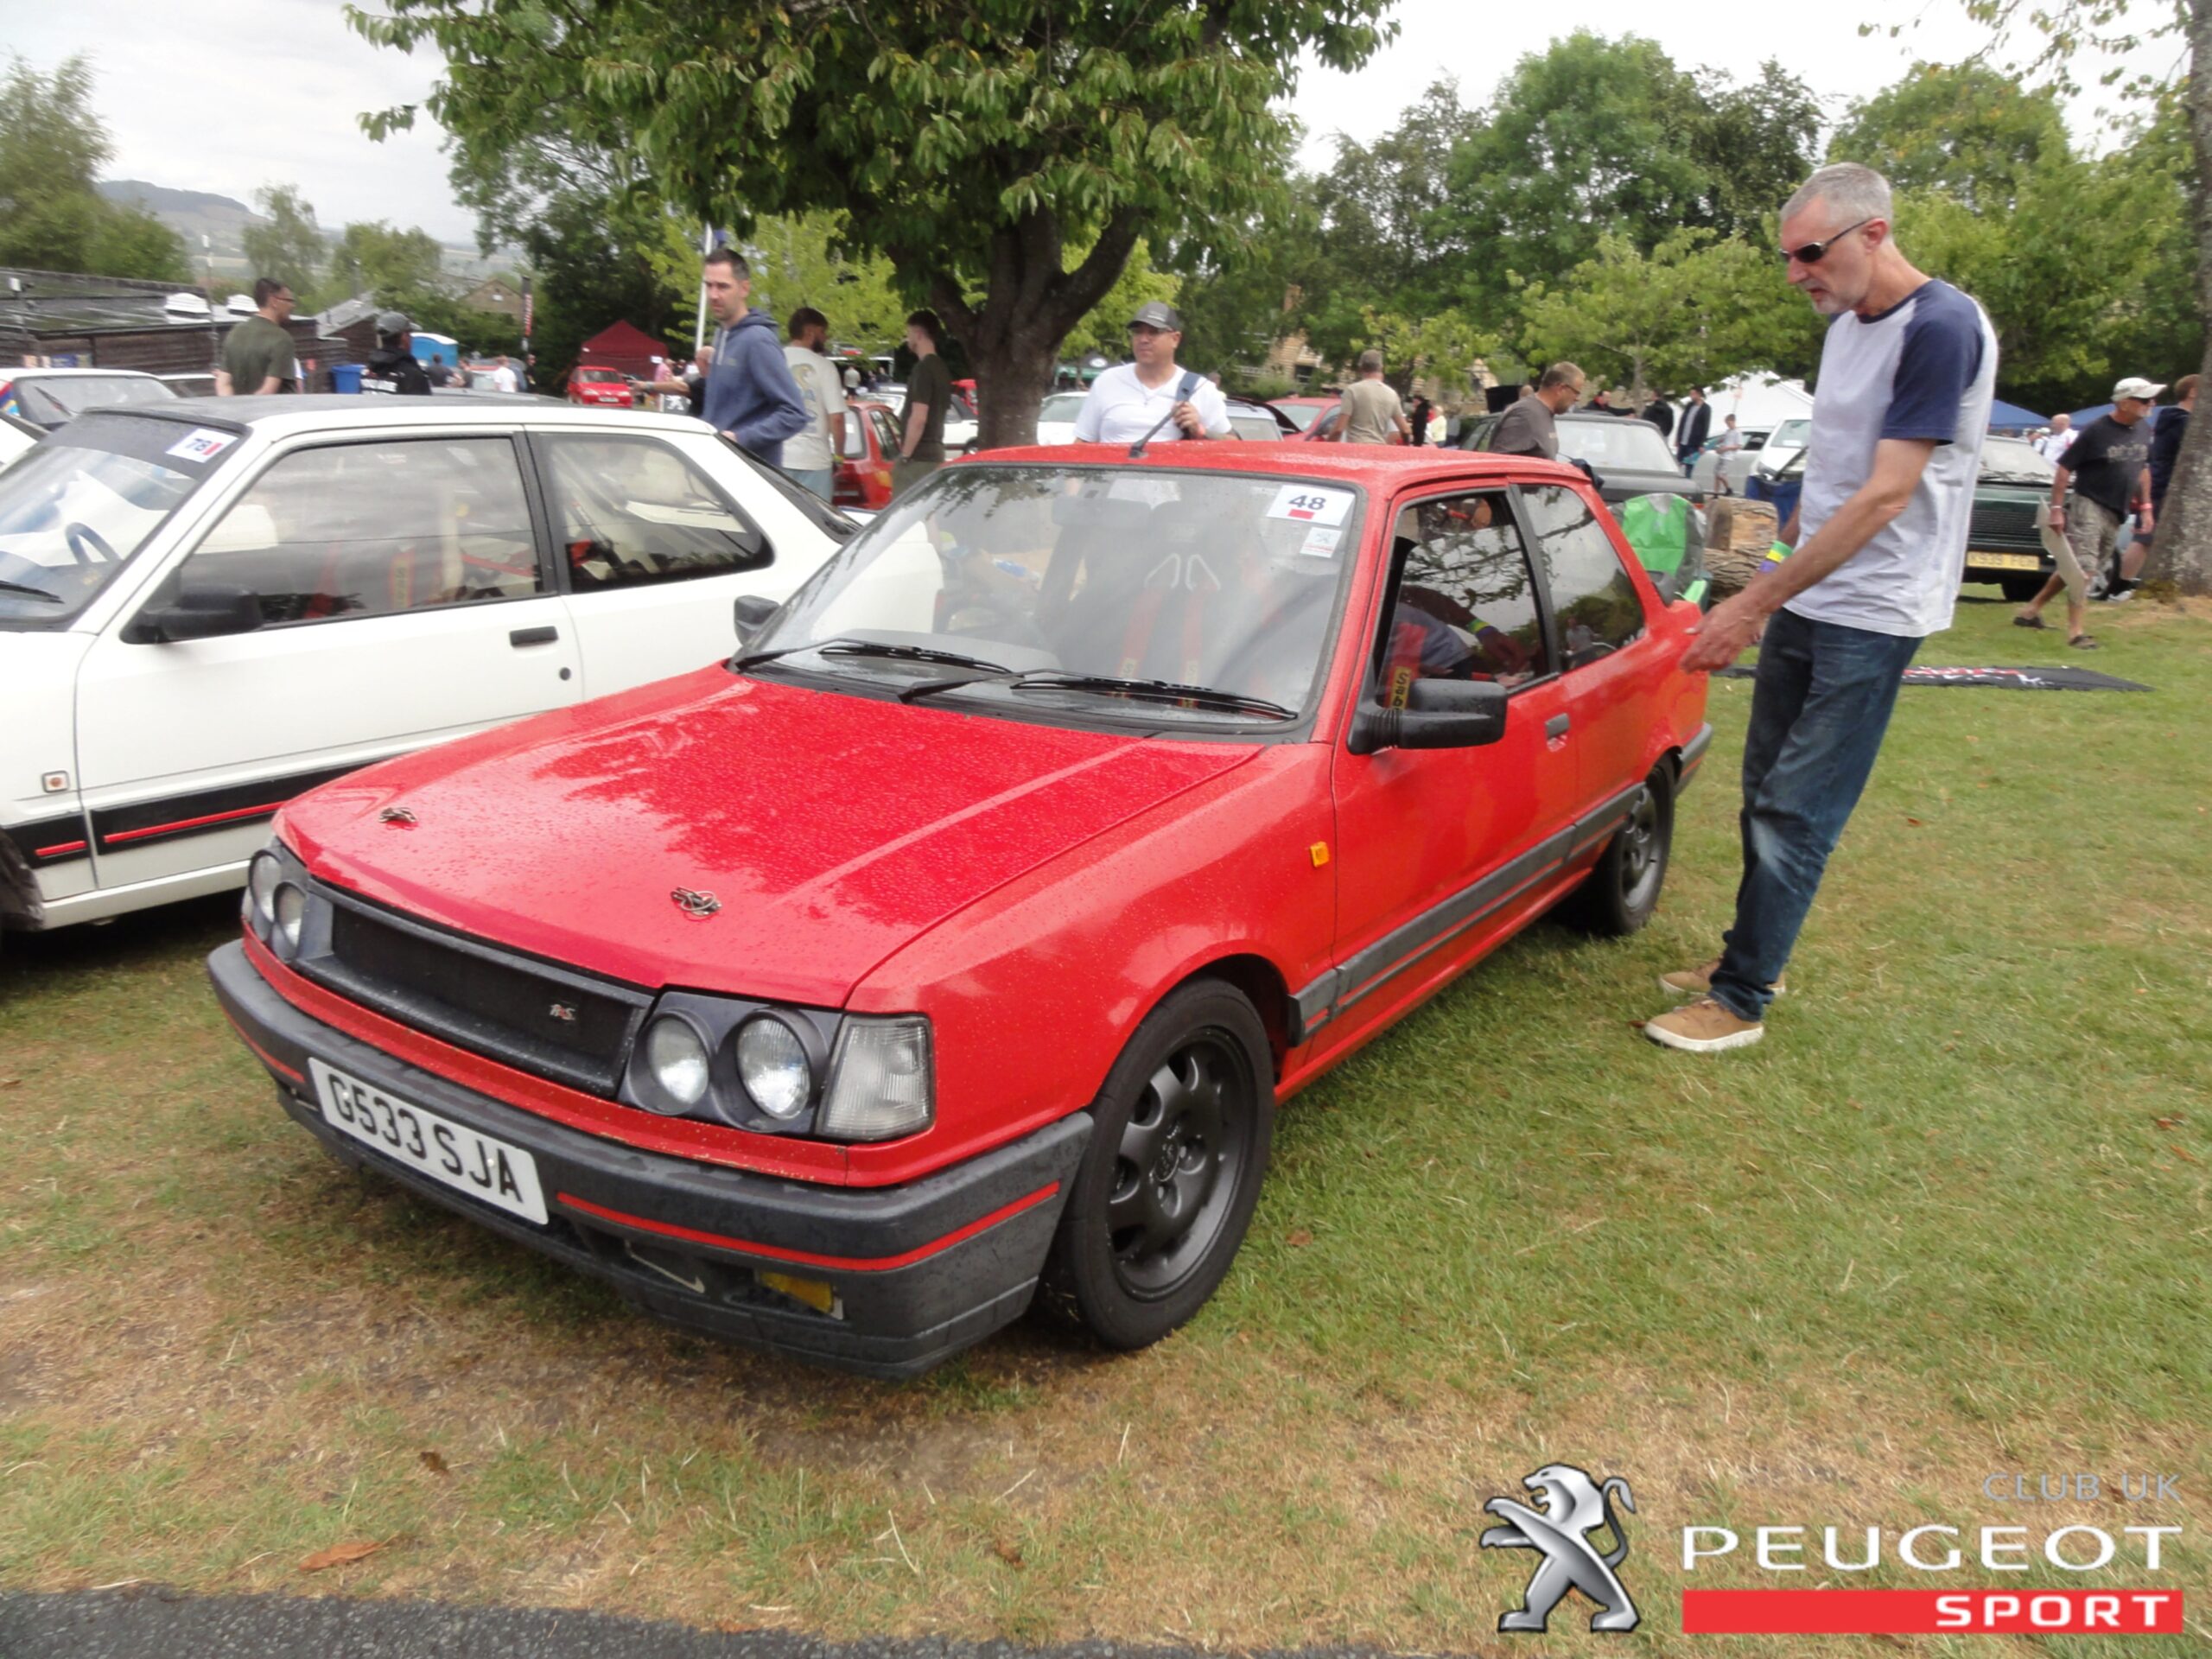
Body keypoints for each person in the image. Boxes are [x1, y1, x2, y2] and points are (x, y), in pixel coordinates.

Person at [1643, 162, 1996, 1055]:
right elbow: (1832, 479)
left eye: (1808, 253)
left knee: (1797, 807)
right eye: (1788, 257)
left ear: (1873, 233)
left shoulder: (1942, 327)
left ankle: (1741, 997)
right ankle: (1753, 952)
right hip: (1812, 592)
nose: (1796, 272)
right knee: (1764, 787)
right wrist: (1762, 577)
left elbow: (1884, 495)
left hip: (1875, 611)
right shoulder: (1844, 327)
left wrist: (1750, 607)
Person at [2012, 377, 2159, 644]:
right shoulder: (2096, 430)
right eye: (2145, 399)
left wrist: (2146, 507)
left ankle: (2030, 611)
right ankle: (2076, 633)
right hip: (2089, 503)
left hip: (2117, 509)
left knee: (2080, 567)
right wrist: (2057, 509)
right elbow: (2064, 468)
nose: (2152, 403)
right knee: (2085, 570)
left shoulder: (2142, 429)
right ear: (2124, 403)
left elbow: (2143, 469)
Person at [698, 246, 808, 467]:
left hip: (747, 476)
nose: (713, 295)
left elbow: (794, 414)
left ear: (744, 288)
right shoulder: (722, 335)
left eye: (723, 286)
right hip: (717, 470)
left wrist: (739, 439)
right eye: (709, 285)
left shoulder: (758, 340)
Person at [1071, 301, 1231, 446]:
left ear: (1175, 339)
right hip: (1109, 470)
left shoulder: (1201, 389)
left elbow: (1233, 446)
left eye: (1153, 332)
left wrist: (1200, 430)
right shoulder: (1107, 381)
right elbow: (1082, 444)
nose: (1143, 339)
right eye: (1137, 332)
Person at [2120, 372, 2194, 595]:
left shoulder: (2174, 418)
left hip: (2166, 485)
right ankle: (2120, 585)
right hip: (2163, 486)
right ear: (2193, 392)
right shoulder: (2181, 420)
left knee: (2150, 539)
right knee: (2144, 539)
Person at [780, 305, 849, 501]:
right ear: (810, 332)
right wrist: (839, 456)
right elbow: (837, 419)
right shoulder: (825, 366)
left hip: (778, 458)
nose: (825, 338)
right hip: (815, 461)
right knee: (815, 518)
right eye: (822, 332)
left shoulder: (774, 360)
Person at [894, 308, 955, 493]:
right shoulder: (942, 369)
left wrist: (905, 456)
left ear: (918, 334)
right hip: (936, 454)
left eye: (909, 333)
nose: (907, 339)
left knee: (904, 510)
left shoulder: (923, 369)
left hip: (918, 459)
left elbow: (919, 418)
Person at [216, 276, 299, 396]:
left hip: (235, 407)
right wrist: (251, 406)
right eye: (289, 301)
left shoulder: (235, 332)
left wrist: (233, 405)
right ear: (274, 301)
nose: (292, 306)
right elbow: (268, 391)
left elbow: (223, 383)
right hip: (273, 408)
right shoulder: (281, 339)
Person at [1489, 362, 1585, 459]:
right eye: (1576, 393)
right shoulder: (1525, 415)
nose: (1577, 399)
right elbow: (1502, 462)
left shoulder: (1542, 413)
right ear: (1561, 389)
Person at [1338, 350, 1411, 444]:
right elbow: (1405, 430)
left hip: (1356, 447)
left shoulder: (1352, 390)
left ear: (1361, 368)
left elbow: (1339, 429)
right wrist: (1406, 446)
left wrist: (1329, 447)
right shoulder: (1392, 394)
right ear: (1381, 367)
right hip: (1378, 448)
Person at [359, 312, 431, 395]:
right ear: (404, 337)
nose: (411, 338)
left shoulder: (367, 372)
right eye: (409, 334)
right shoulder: (412, 374)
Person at [1677, 386, 1713, 471]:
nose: (1691, 396)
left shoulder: (1705, 409)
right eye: (1690, 394)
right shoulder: (1689, 406)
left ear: (1699, 394)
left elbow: (1705, 427)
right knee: (1678, 463)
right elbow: (1682, 422)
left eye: (1693, 394)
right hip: (1683, 441)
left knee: (1689, 465)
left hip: (1693, 443)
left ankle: (1687, 478)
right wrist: (1678, 438)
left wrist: (1702, 444)